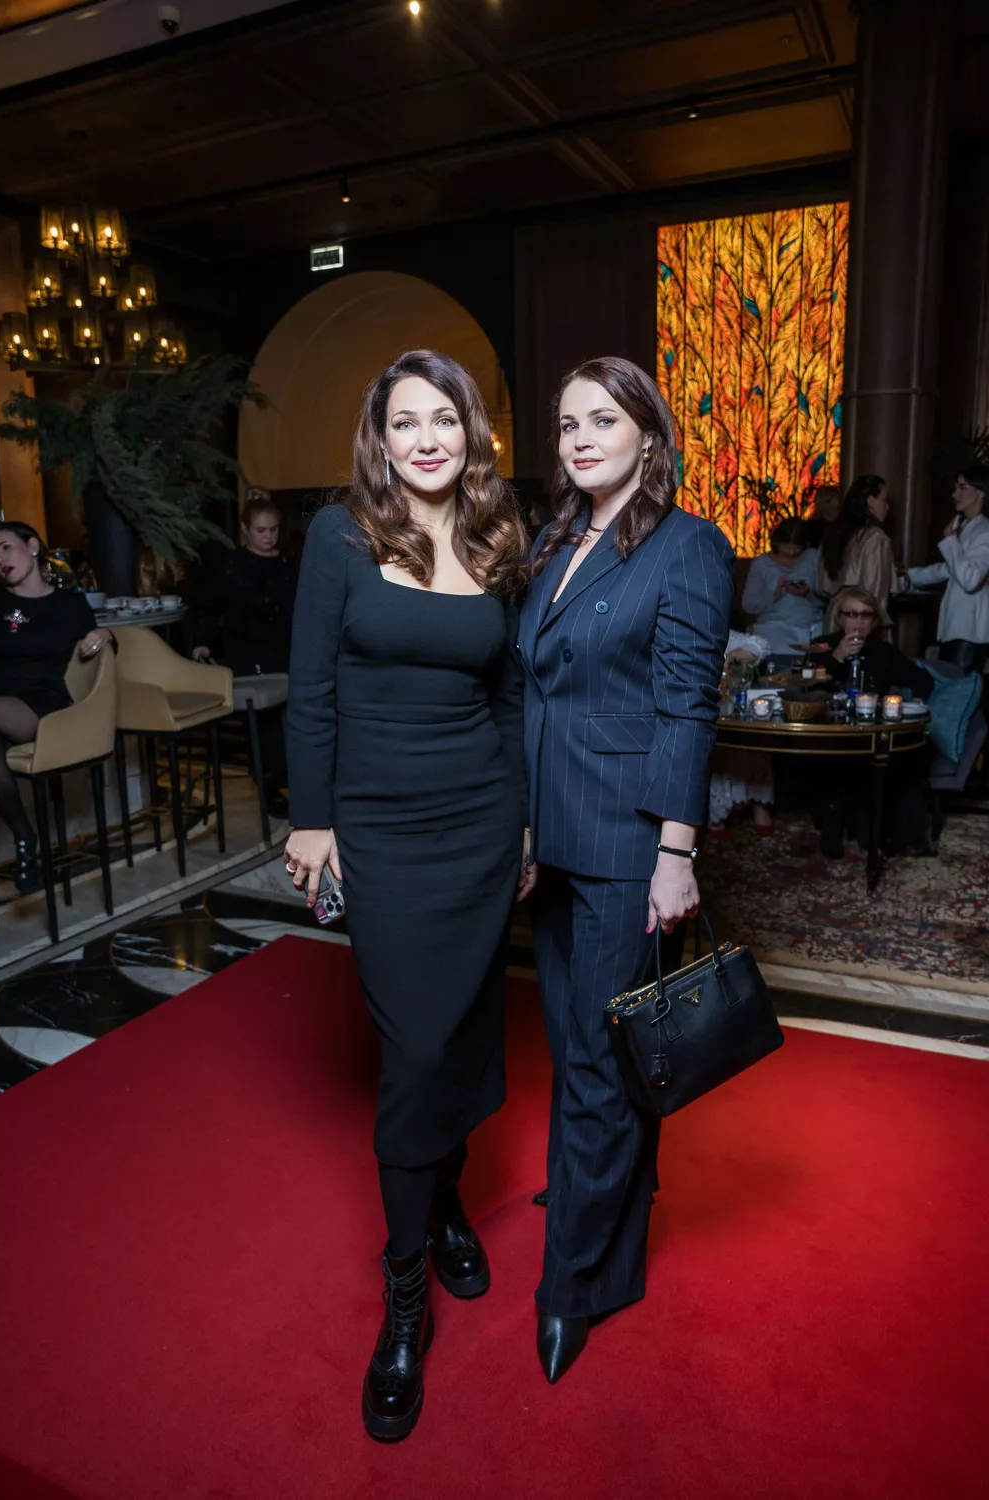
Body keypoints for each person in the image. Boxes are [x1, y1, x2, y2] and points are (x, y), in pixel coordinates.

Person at [283, 351, 532, 1443]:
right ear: (378, 439)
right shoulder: (339, 537)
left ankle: (444, 1200)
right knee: (417, 1045)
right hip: (380, 832)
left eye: (444, 419)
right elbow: (311, 690)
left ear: (470, 433)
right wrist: (312, 820)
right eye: (405, 422)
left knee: (466, 1026)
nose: (426, 438)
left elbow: (510, 698)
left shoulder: (496, 539)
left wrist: (523, 823)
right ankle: (402, 1297)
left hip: (480, 821)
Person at [518, 356, 732, 1384]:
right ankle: (604, 1204)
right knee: (578, 1051)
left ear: (648, 432)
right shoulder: (555, 540)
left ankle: (575, 1285)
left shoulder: (689, 545)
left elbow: (689, 706)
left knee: (602, 1067)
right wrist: (522, 829)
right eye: (567, 425)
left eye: (603, 420)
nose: (581, 440)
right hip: (553, 840)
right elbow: (536, 694)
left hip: (626, 846)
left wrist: (675, 852)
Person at [0, 521, 111, 892]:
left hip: (41, 703)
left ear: (32, 546)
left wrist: (105, 633)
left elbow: (102, 650)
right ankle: (25, 839)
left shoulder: (68, 604)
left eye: (6, 548)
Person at [191, 491, 296, 815]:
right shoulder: (231, 567)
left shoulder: (288, 564)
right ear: (245, 530)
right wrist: (201, 642)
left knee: (297, 718)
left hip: (287, 651)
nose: (268, 536)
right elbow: (208, 608)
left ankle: (298, 781)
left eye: (273, 529)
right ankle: (270, 785)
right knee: (266, 725)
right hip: (249, 655)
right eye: (261, 530)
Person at [814, 586, 934, 858]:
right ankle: (833, 822)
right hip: (829, 734)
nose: (858, 621)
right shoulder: (822, 645)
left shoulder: (883, 651)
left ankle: (870, 826)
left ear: (874, 621)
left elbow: (923, 681)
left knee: (891, 766)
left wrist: (907, 702)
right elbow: (807, 687)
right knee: (838, 766)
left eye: (866, 615)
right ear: (840, 618)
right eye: (851, 614)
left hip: (872, 732)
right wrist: (838, 657)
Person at [907, 465, 989, 674]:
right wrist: (910, 576)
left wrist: (951, 541)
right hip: (958, 627)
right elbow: (949, 569)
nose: (955, 494)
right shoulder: (965, 527)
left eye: (962, 487)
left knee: (958, 688)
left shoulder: (984, 531)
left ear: (980, 492)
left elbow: (970, 579)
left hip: (970, 630)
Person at [709, 630, 774, 834]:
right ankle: (717, 812)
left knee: (754, 742)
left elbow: (762, 645)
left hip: (731, 703)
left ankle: (759, 804)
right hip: (703, 707)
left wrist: (732, 656)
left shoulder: (724, 634)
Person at [818, 473, 897, 632]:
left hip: (835, 617)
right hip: (861, 622)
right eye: (884, 500)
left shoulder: (835, 533)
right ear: (870, 501)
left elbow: (822, 585)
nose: (887, 507)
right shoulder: (874, 538)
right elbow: (874, 593)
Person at [741, 517, 824, 655]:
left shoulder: (814, 558)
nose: (791, 552)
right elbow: (749, 605)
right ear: (777, 542)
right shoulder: (761, 564)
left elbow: (829, 598)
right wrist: (776, 595)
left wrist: (807, 594)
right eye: (786, 546)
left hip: (812, 626)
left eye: (797, 547)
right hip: (774, 627)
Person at [801, 484, 842, 549]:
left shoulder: (841, 525)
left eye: (837, 506)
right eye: (832, 506)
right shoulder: (812, 527)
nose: (836, 510)